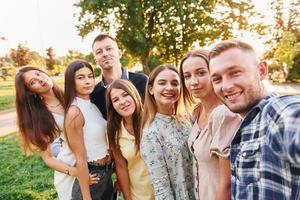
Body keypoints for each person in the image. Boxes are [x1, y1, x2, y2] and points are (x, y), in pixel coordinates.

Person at [209, 40, 300, 199]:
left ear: (261, 70)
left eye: (235, 72)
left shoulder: (278, 112)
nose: (226, 86)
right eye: (217, 79)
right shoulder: (246, 124)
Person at [15, 66, 99, 200]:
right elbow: (47, 158)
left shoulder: (71, 95)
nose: (40, 79)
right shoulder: (41, 116)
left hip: (96, 163)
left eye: (39, 74)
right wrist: (75, 172)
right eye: (33, 82)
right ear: (30, 92)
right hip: (72, 169)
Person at [179, 50, 242, 200]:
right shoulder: (197, 111)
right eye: (187, 76)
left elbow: (227, 184)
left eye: (201, 73)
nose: (193, 82)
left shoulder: (224, 114)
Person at [140, 64, 195, 200]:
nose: (169, 87)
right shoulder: (151, 134)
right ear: (151, 89)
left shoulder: (189, 119)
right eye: (162, 83)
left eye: (175, 83)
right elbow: (162, 189)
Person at [63, 60, 114, 200]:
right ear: (71, 82)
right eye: (81, 77)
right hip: (92, 175)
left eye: (90, 76)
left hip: (107, 172)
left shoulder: (93, 106)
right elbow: (80, 157)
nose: (88, 81)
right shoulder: (75, 111)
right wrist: (86, 197)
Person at [105, 79, 155, 200]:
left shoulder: (153, 119)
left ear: (134, 94)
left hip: (165, 192)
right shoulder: (114, 132)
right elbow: (121, 167)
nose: (122, 102)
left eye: (125, 95)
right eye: (116, 100)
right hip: (139, 195)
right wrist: (128, 198)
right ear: (112, 106)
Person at [91, 34, 148, 119]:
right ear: (96, 60)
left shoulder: (143, 81)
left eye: (109, 49)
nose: (105, 54)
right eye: (99, 52)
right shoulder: (95, 94)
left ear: (119, 53)